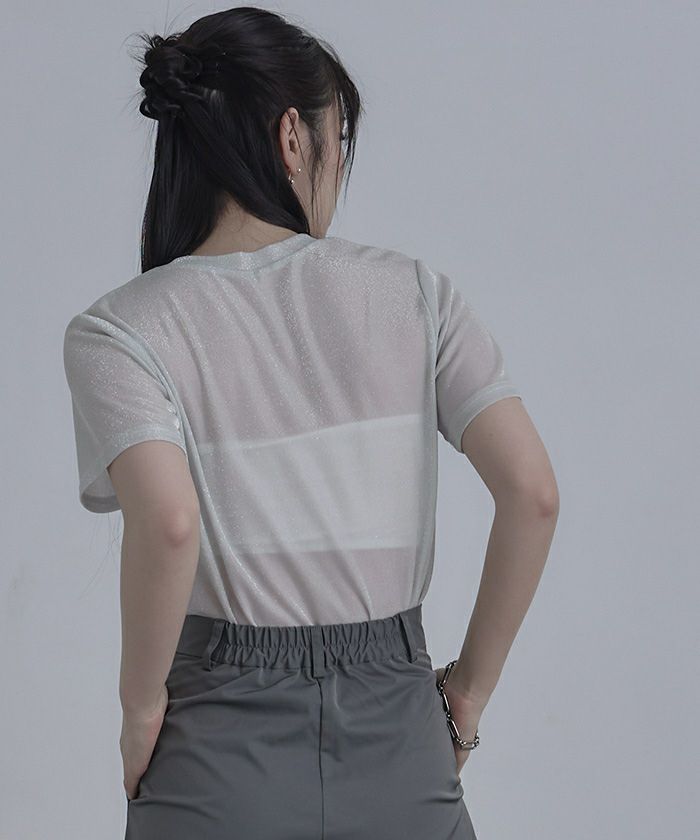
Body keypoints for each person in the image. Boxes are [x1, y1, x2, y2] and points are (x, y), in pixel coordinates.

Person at [62, 7, 559, 839]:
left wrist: (140, 710)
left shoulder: (120, 329)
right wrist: (465, 696)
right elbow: (534, 494)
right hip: (401, 735)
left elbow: (171, 523)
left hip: (217, 747)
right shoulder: (416, 295)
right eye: (339, 142)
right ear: (292, 138)